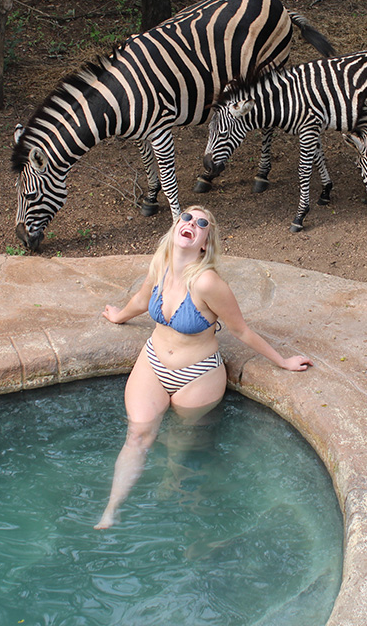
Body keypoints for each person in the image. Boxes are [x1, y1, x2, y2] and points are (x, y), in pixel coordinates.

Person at [95, 205, 312, 529]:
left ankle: (172, 481)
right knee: (137, 435)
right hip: (153, 362)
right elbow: (141, 301)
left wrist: (282, 361)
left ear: (205, 244)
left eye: (201, 224)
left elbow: (240, 330)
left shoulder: (209, 283)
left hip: (197, 375)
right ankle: (111, 511)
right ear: (175, 228)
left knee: (181, 442)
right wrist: (119, 316)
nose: (191, 224)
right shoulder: (160, 267)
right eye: (186, 218)